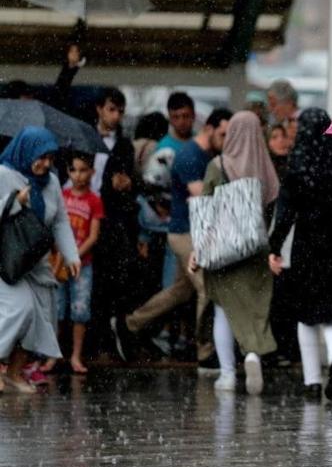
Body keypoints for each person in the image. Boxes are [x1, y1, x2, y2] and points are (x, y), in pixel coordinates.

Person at [114, 109, 232, 362]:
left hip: (191, 231)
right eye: (223, 133)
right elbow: (201, 197)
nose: (226, 139)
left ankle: (130, 323)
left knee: (180, 291)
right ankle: (206, 350)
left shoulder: (206, 154)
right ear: (209, 129)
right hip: (185, 233)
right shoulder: (190, 155)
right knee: (207, 289)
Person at [268, 109, 332, 402]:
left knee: (306, 318)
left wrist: (273, 248)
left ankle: (311, 382)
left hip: (308, 252)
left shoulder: (297, 168)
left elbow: (284, 215)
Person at [193, 111, 280, 394]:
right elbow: (274, 209)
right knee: (255, 310)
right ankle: (253, 354)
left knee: (223, 309)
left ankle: (228, 374)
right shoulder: (266, 169)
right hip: (257, 250)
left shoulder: (218, 166)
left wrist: (199, 249)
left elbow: (205, 209)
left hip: (224, 249)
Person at [0, 127, 80, 393]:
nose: (45, 163)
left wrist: (71, 254)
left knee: (42, 319)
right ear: (26, 151)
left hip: (35, 261)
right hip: (7, 261)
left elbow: (59, 220)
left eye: (50, 157)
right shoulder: (4, 174)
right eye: (40, 156)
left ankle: (14, 372)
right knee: (20, 309)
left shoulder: (51, 181)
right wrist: (14, 203)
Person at [88, 87, 143, 361]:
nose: (116, 116)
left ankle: (105, 341)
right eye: (111, 109)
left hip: (111, 221)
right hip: (85, 216)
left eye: (120, 111)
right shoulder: (84, 138)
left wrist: (126, 185)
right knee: (89, 283)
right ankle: (90, 341)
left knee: (108, 283)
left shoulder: (123, 145)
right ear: (99, 109)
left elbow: (130, 182)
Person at [50, 152, 103, 374]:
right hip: (61, 261)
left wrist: (75, 255)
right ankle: (52, 356)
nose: (78, 175)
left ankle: (75, 356)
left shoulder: (94, 200)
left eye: (83, 170)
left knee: (79, 311)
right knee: (58, 310)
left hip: (83, 263)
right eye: (73, 170)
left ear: (92, 172)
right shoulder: (61, 196)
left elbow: (93, 236)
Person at [267, 123, 300, 367]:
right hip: (271, 239)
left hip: (290, 241)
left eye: (284, 137)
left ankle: (288, 349)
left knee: (287, 297)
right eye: (275, 136)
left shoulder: (295, 169)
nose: (281, 141)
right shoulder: (264, 169)